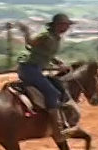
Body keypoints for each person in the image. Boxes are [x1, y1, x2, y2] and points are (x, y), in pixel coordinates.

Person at [16, 13, 75, 143]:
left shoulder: (55, 37)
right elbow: (30, 44)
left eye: (67, 25)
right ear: (57, 25)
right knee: (52, 93)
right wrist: (26, 32)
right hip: (29, 69)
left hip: (34, 69)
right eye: (65, 24)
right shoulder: (45, 36)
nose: (67, 27)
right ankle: (57, 129)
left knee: (56, 85)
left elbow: (44, 53)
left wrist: (57, 62)